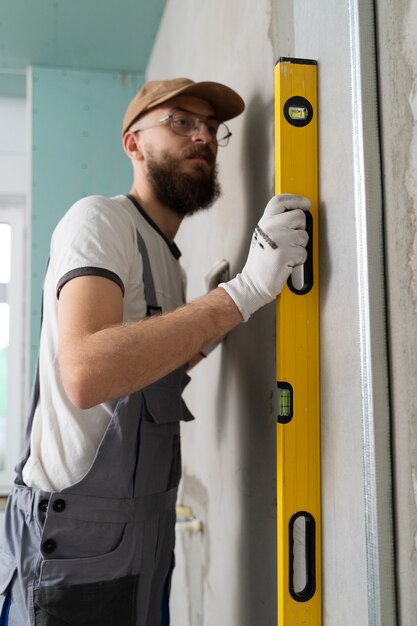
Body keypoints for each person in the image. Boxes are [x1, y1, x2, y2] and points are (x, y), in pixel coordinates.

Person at [0, 77, 310, 626]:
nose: (203, 137)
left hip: (144, 543)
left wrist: (207, 329)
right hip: (78, 554)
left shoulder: (169, 262)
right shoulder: (98, 222)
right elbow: (87, 372)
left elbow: (143, 373)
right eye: (181, 122)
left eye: (213, 128)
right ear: (134, 143)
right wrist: (238, 297)